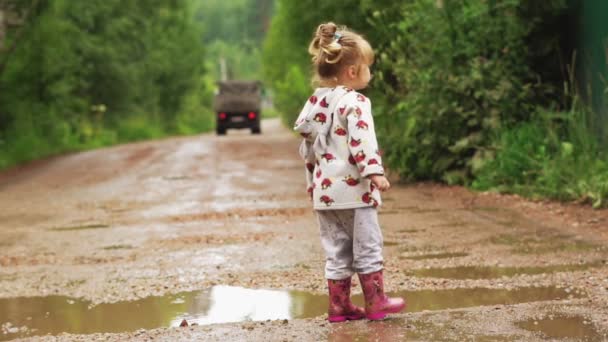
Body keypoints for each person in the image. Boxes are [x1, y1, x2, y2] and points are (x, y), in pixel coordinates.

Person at [294, 22, 406, 322]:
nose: (370, 73)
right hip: (355, 191)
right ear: (352, 72)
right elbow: (362, 140)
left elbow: (309, 151)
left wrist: (311, 184)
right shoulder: (356, 102)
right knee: (368, 245)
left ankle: (339, 306)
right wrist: (374, 172)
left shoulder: (315, 104)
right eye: (367, 67)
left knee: (337, 250)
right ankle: (376, 301)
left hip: (325, 195)